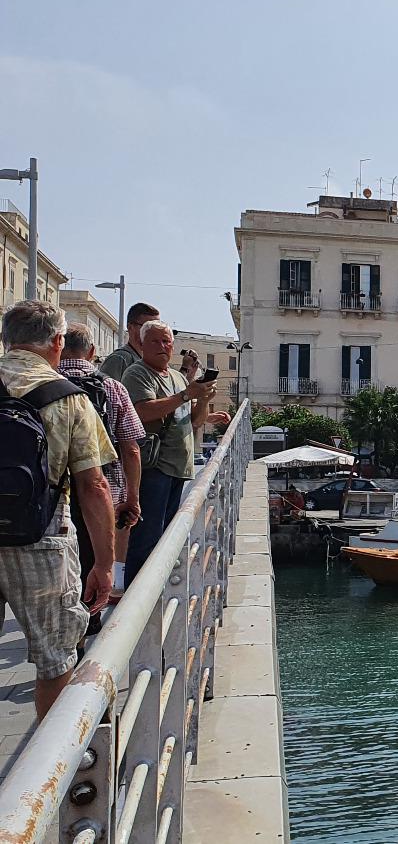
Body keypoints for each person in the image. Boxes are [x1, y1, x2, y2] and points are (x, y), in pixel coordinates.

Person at [0, 301, 118, 718]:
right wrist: (104, 564)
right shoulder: (69, 398)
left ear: (6, 338)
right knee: (55, 661)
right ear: (56, 342)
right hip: (41, 540)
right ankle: (59, 772)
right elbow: (94, 484)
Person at [123, 320, 230, 581]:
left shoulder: (178, 377)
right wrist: (185, 395)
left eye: (167, 342)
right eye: (156, 341)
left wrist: (203, 399)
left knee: (165, 537)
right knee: (147, 537)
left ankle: (156, 590)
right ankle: (136, 596)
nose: (163, 346)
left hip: (178, 467)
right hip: (154, 465)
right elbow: (141, 410)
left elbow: (194, 420)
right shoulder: (137, 374)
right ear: (142, 344)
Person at [58, 323, 146, 615]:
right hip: (103, 488)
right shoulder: (112, 387)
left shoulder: (44, 383)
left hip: (53, 492)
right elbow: (131, 449)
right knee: (95, 557)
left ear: (57, 346)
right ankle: (90, 614)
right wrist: (132, 497)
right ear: (93, 352)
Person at [96, 301, 160, 383]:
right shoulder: (119, 359)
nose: (155, 331)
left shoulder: (152, 361)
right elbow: (106, 393)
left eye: (158, 326)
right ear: (130, 327)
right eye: (147, 326)